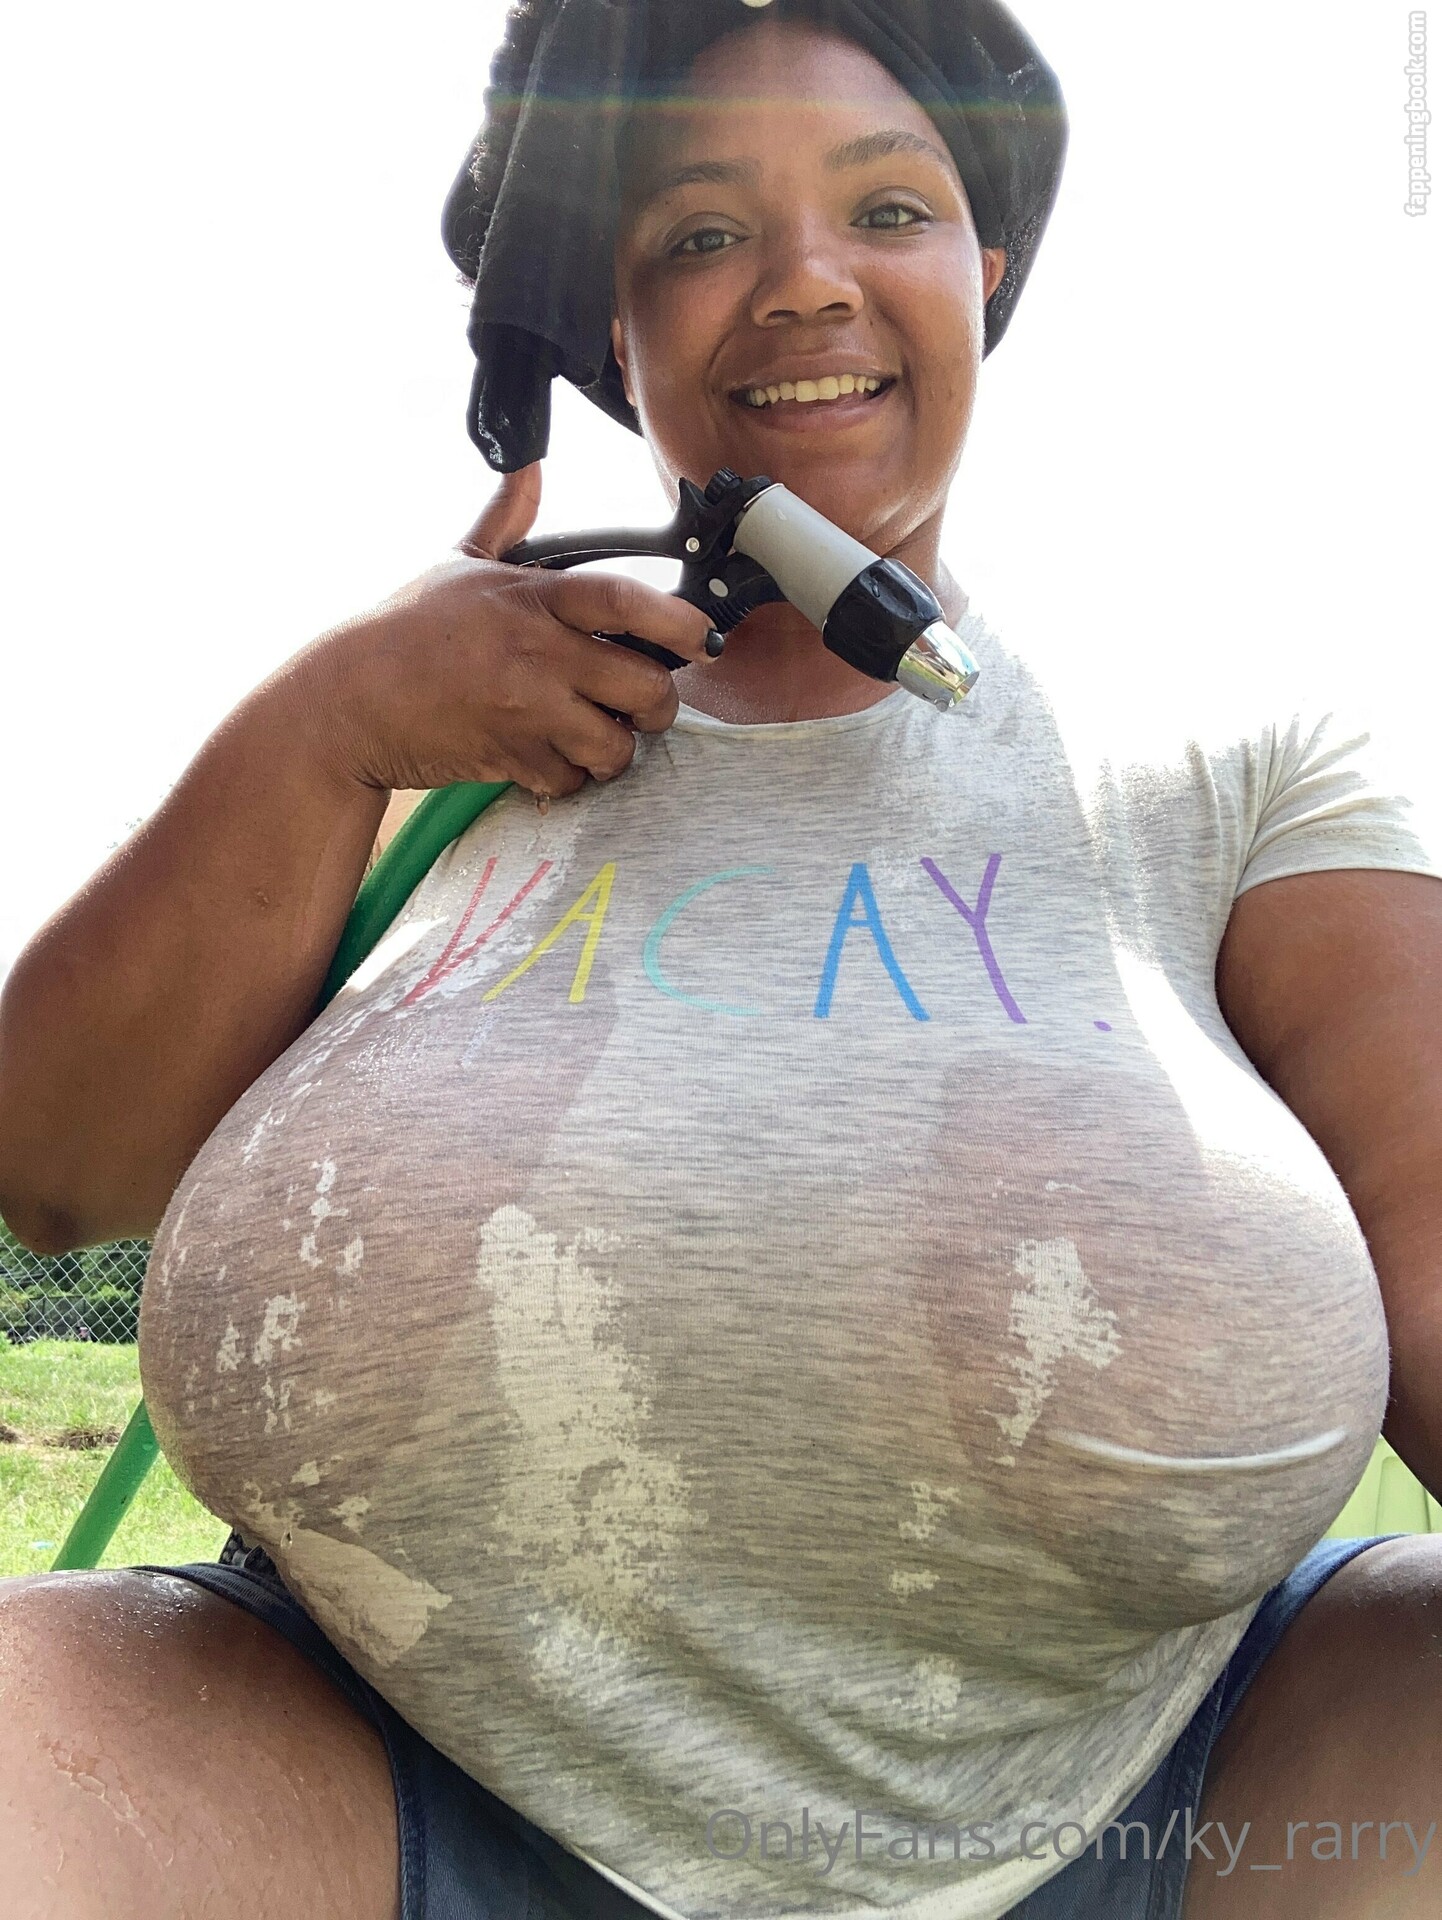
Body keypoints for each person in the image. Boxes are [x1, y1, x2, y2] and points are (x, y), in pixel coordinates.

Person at [1, 3, 1441, 1917]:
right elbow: (56, 1168)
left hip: (1177, 1810)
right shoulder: (407, 748)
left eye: (889, 209)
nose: (804, 282)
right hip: (376, 1798)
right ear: (616, 334)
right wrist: (322, 730)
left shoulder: (1246, 763)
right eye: (698, 233)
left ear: (984, 272)